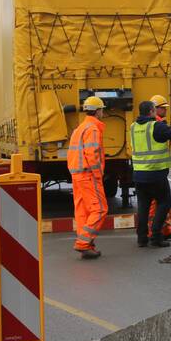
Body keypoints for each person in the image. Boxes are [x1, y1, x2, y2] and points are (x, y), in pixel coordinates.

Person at [129, 94, 171, 248]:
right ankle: (156, 236)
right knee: (164, 203)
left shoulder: (134, 127)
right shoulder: (155, 126)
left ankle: (141, 238)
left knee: (143, 206)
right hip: (155, 173)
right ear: (152, 111)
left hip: (139, 174)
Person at [68, 96, 108, 259]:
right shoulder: (92, 129)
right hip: (88, 175)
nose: (103, 112)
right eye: (102, 110)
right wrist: (98, 175)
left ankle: (86, 244)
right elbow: (92, 154)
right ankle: (83, 243)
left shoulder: (80, 128)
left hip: (78, 174)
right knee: (99, 209)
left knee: (83, 211)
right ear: (98, 111)